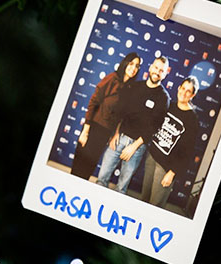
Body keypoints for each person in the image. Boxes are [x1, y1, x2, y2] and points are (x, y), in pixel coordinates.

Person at [96, 56, 171, 194]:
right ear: (150, 67)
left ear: (166, 73)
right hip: (119, 138)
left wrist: (134, 146)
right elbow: (122, 113)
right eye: (155, 67)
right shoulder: (135, 86)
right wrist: (116, 134)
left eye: (161, 70)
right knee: (101, 179)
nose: (157, 72)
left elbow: (155, 127)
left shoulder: (164, 98)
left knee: (121, 188)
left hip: (137, 146)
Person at [70, 53, 141, 180]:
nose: (133, 68)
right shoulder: (112, 79)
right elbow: (93, 103)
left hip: (104, 134)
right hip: (92, 129)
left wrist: (114, 134)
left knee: (87, 171)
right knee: (78, 169)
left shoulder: (130, 88)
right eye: (131, 64)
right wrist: (85, 131)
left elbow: (121, 116)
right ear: (125, 64)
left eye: (137, 66)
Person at [140, 76, 200, 208]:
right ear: (178, 88)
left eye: (188, 91)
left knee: (155, 205)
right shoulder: (170, 106)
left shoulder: (192, 120)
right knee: (144, 198)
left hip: (165, 167)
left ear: (192, 95)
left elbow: (187, 151)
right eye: (183, 88)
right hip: (152, 157)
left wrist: (172, 172)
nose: (183, 93)